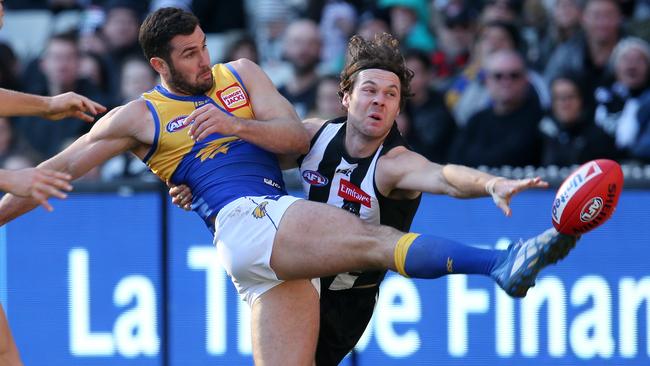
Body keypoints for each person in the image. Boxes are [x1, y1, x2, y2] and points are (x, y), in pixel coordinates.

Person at [0, 9, 578, 365]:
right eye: (188, 55)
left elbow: (292, 139)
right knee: (376, 240)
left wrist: (233, 125)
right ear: (158, 63)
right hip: (247, 220)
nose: (204, 59)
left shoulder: (240, 75)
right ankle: (502, 264)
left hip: (266, 250)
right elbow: (54, 172)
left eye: (203, 45)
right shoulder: (138, 115)